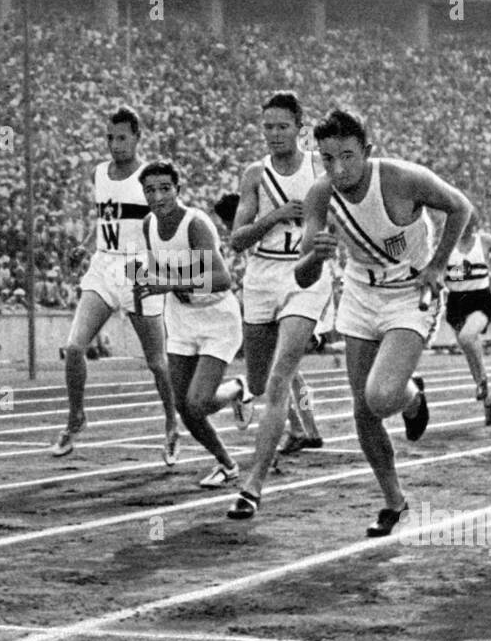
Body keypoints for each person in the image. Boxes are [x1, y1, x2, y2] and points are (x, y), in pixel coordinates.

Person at [236, 108, 471, 530]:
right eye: (328, 158)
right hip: (361, 294)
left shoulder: (403, 178)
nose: (339, 168)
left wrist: (438, 265)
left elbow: (460, 208)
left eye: (347, 156)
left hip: (410, 292)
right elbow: (303, 275)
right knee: (364, 409)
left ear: (367, 151)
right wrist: (317, 255)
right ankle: (394, 500)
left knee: (382, 395)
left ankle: (412, 396)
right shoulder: (320, 196)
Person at [222, 92, 331, 515]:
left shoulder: (319, 169)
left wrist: (315, 227)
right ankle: (309, 347)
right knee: (259, 383)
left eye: (282, 126)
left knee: (282, 377)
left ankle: (252, 486)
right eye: (267, 126)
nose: (274, 134)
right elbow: (237, 239)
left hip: (304, 275)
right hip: (262, 277)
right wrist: (276, 214)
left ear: (300, 128)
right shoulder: (255, 175)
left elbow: (338, 217)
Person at [51, 107, 180, 462]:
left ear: (137, 138)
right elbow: (106, 218)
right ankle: (76, 417)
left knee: (157, 361)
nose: (115, 144)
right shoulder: (99, 173)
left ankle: (172, 424)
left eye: (122, 137)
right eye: (109, 137)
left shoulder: (148, 178)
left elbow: (166, 223)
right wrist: (85, 245)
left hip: (138, 268)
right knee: (75, 347)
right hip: (105, 263)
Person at [133, 161, 244, 486]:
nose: (158, 196)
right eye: (150, 190)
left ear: (177, 190)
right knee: (184, 406)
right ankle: (227, 464)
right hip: (181, 319)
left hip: (216, 318)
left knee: (198, 403)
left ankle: (238, 389)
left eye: (165, 188)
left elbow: (222, 279)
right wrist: (139, 282)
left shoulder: (196, 224)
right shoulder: (147, 226)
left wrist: (168, 284)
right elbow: (148, 272)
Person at [442, 211, 491, 425]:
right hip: (456, 302)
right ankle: (488, 398)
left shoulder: (485, 241)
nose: (465, 228)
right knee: (469, 352)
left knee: (467, 337)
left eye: (469, 223)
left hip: (480, 300)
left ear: (473, 224)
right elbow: (441, 273)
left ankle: (482, 382)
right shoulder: (446, 245)